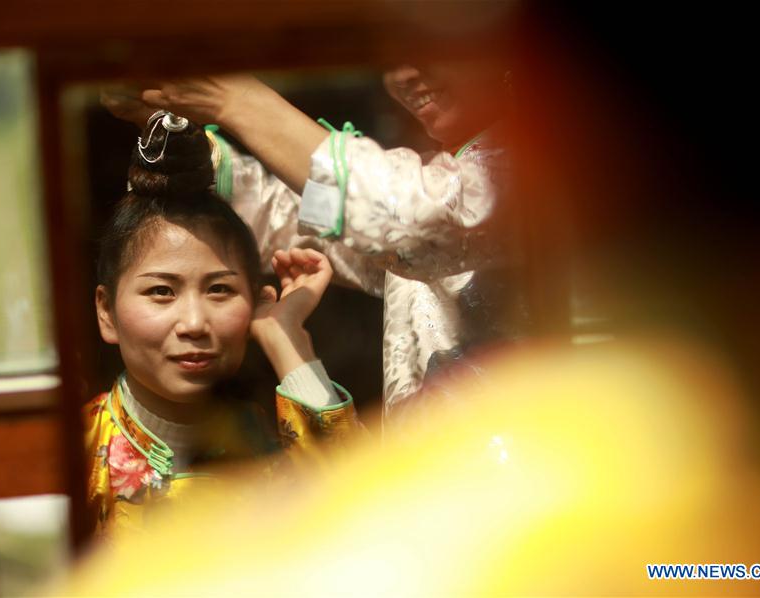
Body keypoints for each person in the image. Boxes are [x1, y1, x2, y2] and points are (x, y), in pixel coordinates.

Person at [102, 61, 525, 427]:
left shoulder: (540, 165)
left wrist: (240, 102)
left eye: (429, 47)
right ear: (106, 311)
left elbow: (409, 217)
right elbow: (307, 221)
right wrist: (177, 128)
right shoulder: (445, 175)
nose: (405, 73)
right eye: (392, 54)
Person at [86, 111, 361, 537]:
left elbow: (363, 518)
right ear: (107, 312)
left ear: (255, 302)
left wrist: (286, 335)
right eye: (161, 291)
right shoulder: (75, 449)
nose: (194, 323)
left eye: (219, 290)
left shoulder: (270, 445)